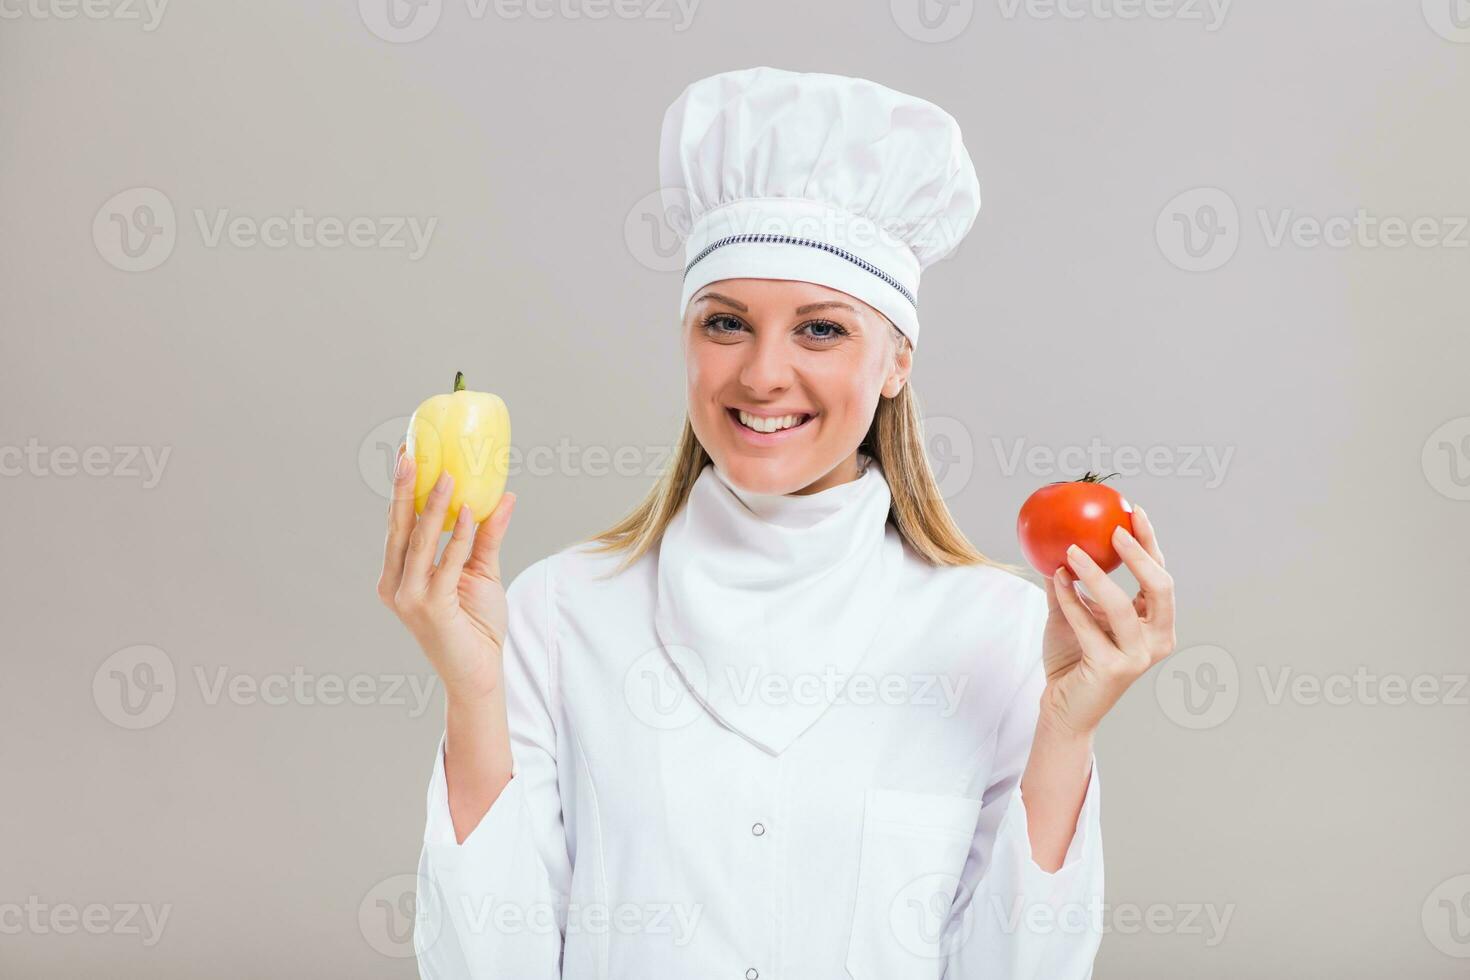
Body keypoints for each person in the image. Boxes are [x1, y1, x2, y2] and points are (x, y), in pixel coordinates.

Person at [379, 65, 1177, 979]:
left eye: (821, 330)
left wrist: (1066, 731)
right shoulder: (560, 611)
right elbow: (492, 963)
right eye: (726, 324)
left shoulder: (995, 631)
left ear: (897, 360)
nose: (762, 375)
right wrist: (473, 694)